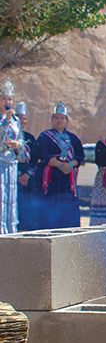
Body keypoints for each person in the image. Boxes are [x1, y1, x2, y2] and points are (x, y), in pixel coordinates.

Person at [34, 103, 84, 229]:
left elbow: (80, 156)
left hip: (67, 179)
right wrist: (58, 164)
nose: (59, 121)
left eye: (62, 118)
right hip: (51, 177)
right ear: (52, 120)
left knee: (67, 206)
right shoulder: (44, 136)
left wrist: (70, 165)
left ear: (67, 121)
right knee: (49, 207)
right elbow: (40, 153)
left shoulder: (74, 138)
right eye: (56, 117)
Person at [0, 81, 29, 234]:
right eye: (4, 99)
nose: (7, 102)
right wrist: (5, 120)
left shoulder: (16, 122)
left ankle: (9, 231)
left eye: (10, 99)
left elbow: (23, 144)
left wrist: (18, 144)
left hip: (11, 164)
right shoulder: (5, 120)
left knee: (10, 199)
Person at [14, 101, 38, 231]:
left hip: (27, 176)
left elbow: (35, 158)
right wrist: (17, 175)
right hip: (13, 174)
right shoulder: (9, 137)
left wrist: (27, 174)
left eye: (23, 119)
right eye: (18, 118)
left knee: (28, 205)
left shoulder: (30, 137)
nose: (21, 121)